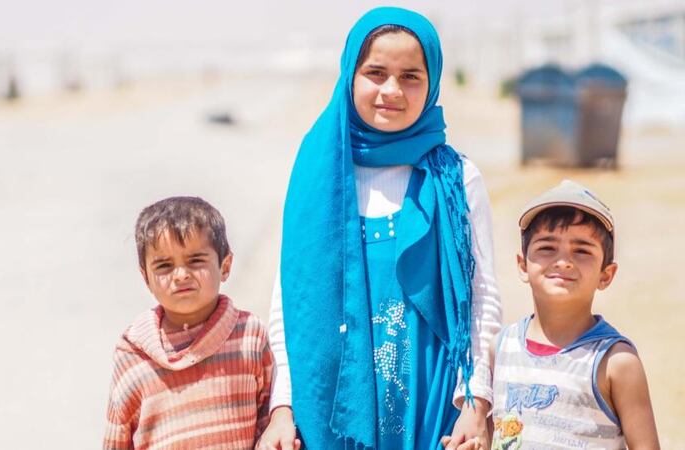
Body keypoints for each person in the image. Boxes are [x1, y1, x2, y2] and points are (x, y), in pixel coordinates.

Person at [258, 7, 502, 450]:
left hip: (436, 409)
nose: (392, 90)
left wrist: (476, 404)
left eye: (411, 75)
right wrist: (282, 409)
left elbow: (482, 299)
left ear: (432, 84)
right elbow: (290, 308)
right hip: (335, 408)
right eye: (376, 72)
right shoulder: (321, 178)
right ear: (350, 75)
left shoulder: (456, 179)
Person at [490, 180, 660, 449]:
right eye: (547, 247)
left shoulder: (616, 361)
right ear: (522, 265)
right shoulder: (499, 349)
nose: (563, 261)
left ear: (606, 275)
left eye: (582, 251)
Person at [103, 197, 274, 449]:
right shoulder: (133, 354)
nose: (181, 275)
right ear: (145, 277)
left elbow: (270, 417)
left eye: (195, 261)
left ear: (225, 266)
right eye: (164, 265)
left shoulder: (249, 336)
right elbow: (117, 437)